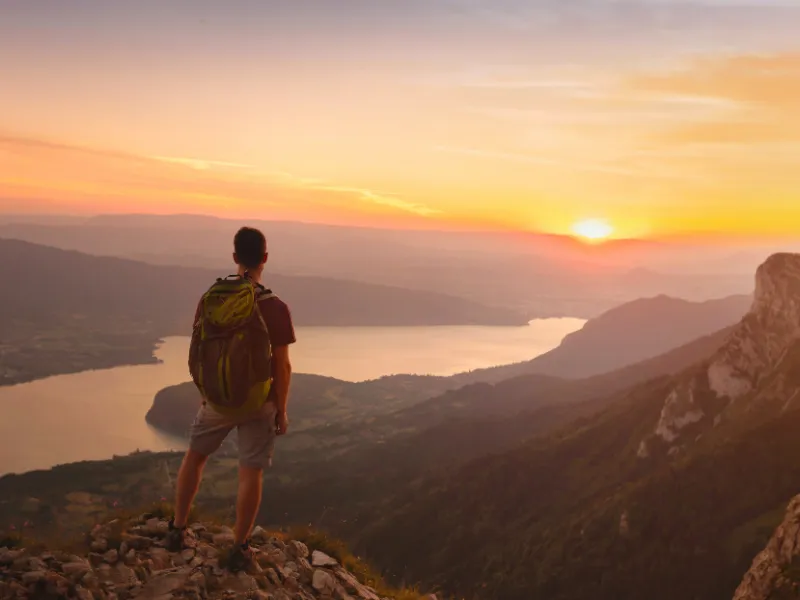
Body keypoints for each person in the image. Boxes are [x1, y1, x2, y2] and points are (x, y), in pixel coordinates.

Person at [166, 226, 295, 571]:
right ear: (265, 258)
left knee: (194, 458)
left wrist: (208, 393)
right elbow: (281, 365)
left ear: (235, 257)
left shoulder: (212, 298)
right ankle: (239, 547)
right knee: (250, 472)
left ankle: (177, 529)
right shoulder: (274, 306)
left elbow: (200, 350)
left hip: (217, 401)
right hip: (258, 402)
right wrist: (280, 409)